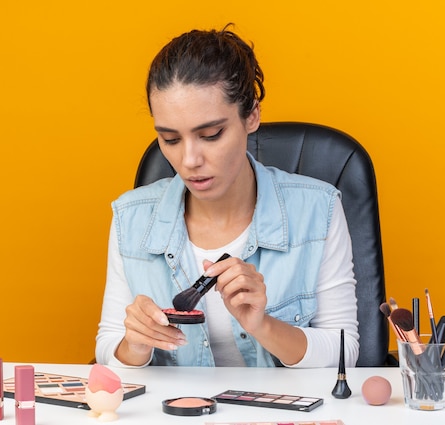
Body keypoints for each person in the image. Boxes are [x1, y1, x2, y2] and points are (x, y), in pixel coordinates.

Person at [95, 25, 359, 368]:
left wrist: (263, 326)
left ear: (251, 116)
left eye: (211, 134)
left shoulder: (317, 209)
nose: (189, 161)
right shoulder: (131, 217)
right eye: (170, 140)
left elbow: (345, 351)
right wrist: (136, 344)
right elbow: (107, 346)